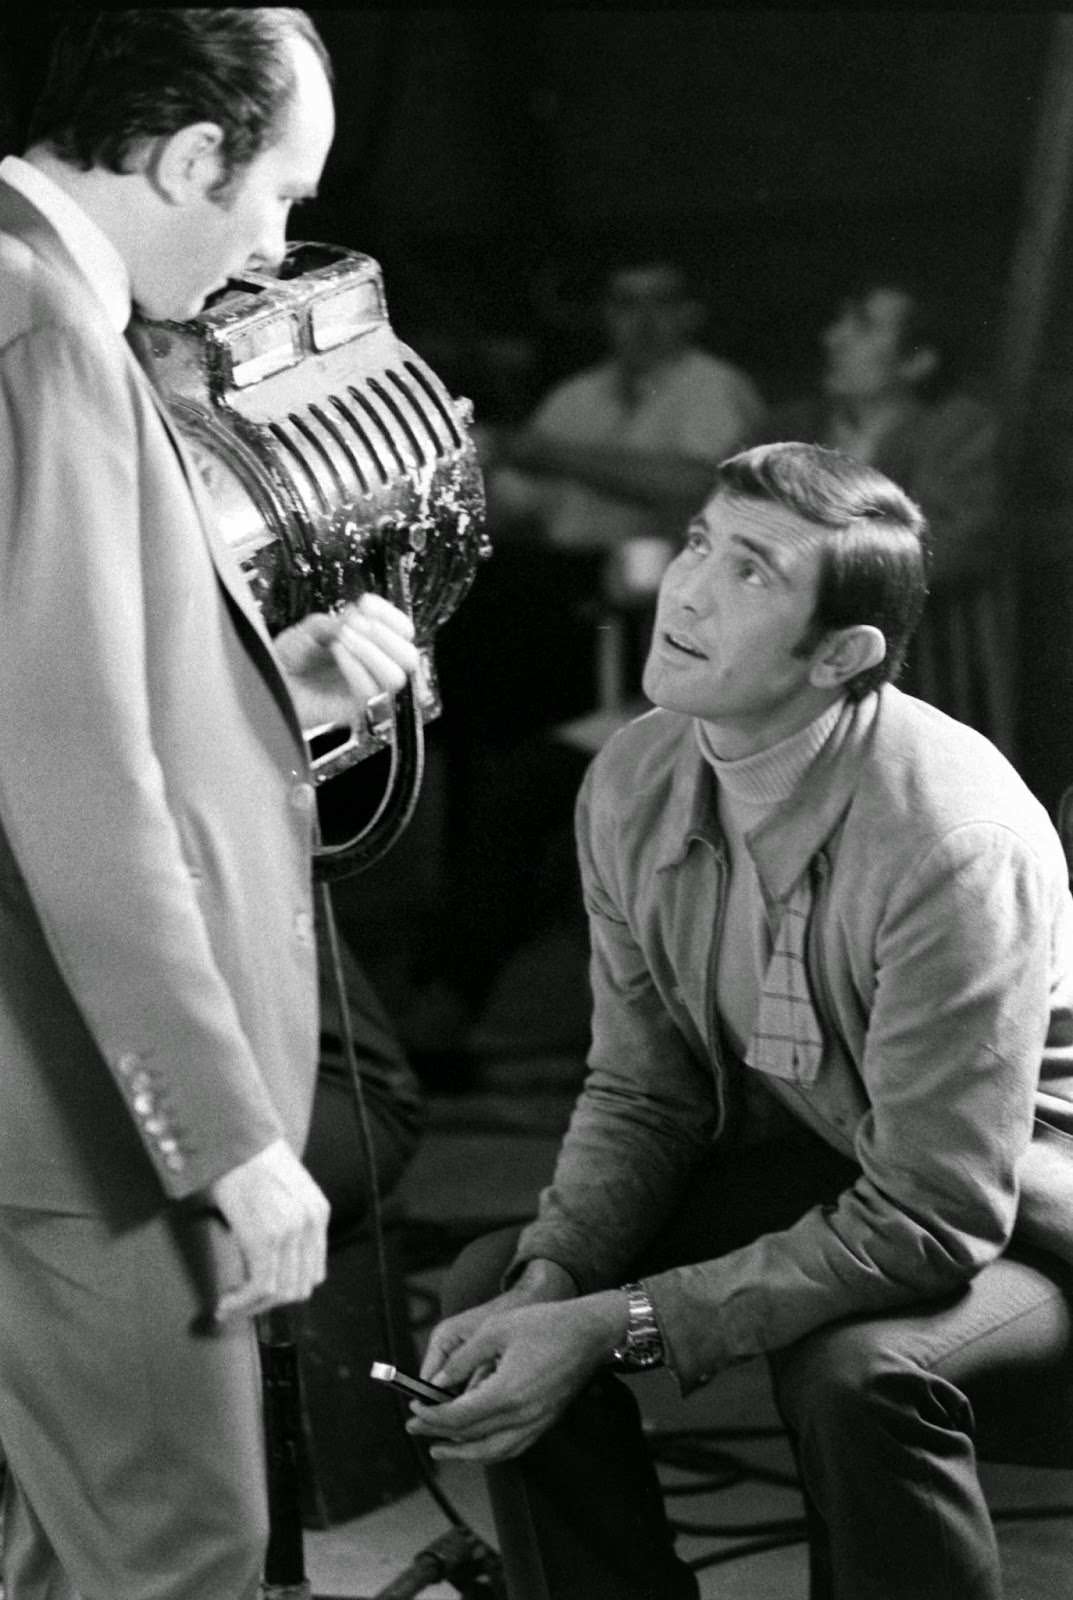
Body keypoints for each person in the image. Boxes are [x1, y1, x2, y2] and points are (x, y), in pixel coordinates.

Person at [408, 442, 1073, 1600]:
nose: (688, 587)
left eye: (752, 571)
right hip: (836, 1165)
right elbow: (642, 1089)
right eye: (699, 542)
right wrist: (556, 1277)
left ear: (841, 656)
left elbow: (933, 1214)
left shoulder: (951, 841)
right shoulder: (632, 776)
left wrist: (619, 1324)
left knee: (858, 1371)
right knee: (492, 1294)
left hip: (1028, 1217)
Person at [0, 11, 421, 1599]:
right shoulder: (42, 331)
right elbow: (73, 782)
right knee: (182, 1553)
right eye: (279, 200)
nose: (273, 250)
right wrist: (231, 1137)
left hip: (49, 1092)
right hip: (83, 1111)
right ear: (188, 157)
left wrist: (270, 694)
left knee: (73, 1553)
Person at [758, 280, 1013, 750]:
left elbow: (953, 544)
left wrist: (818, 569)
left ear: (918, 362)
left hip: (922, 672)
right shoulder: (790, 428)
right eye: (840, 321)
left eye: (863, 326)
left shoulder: (957, 430)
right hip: (789, 672)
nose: (833, 337)